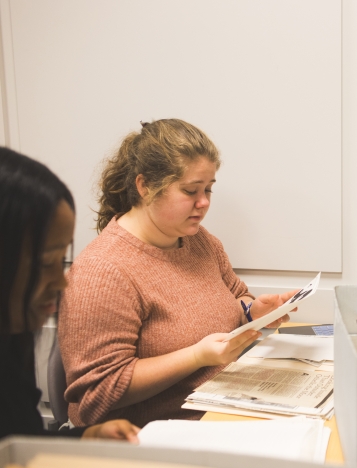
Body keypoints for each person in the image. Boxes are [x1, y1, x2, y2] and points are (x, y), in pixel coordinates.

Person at [59, 119, 298, 428]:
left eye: (209, 189)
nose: (204, 203)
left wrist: (252, 312)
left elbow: (237, 295)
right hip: (151, 437)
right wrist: (197, 357)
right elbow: (97, 394)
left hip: (223, 409)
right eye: (190, 191)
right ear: (144, 187)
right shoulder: (103, 271)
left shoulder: (199, 241)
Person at [0, 147, 139, 441]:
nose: (61, 283)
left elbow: (21, 439)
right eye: (45, 263)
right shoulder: (104, 266)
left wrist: (86, 438)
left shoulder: (12, 342)